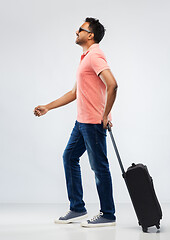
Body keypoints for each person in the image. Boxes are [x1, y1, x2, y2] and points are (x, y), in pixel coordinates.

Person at [34, 17, 118, 228]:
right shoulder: (85, 57)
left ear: (90, 35)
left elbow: (113, 84)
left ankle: (108, 214)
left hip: (93, 123)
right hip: (81, 122)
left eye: (80, 29)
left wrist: (106, 115)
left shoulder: (95, 55)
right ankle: (78, 208)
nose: (76, 32)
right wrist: (48, 106)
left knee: (99, 167)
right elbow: (74, 93)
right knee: (69, 157)